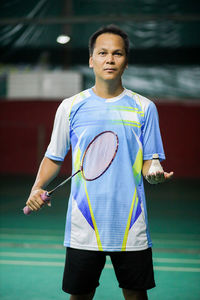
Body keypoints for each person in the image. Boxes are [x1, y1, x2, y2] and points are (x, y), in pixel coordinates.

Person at [26, 25, 173, 300]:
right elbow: (53, 156)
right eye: (102, 53)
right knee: (80, 296)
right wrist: (37, 187)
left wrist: (154, 173)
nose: (110, 59)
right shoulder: (70, 106)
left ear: (126, 61)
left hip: (131, 225)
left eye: (117, 53)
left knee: (136, 295)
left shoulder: (144, 107)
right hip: (84, 226)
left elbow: (150, 162)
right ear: (91, 60)